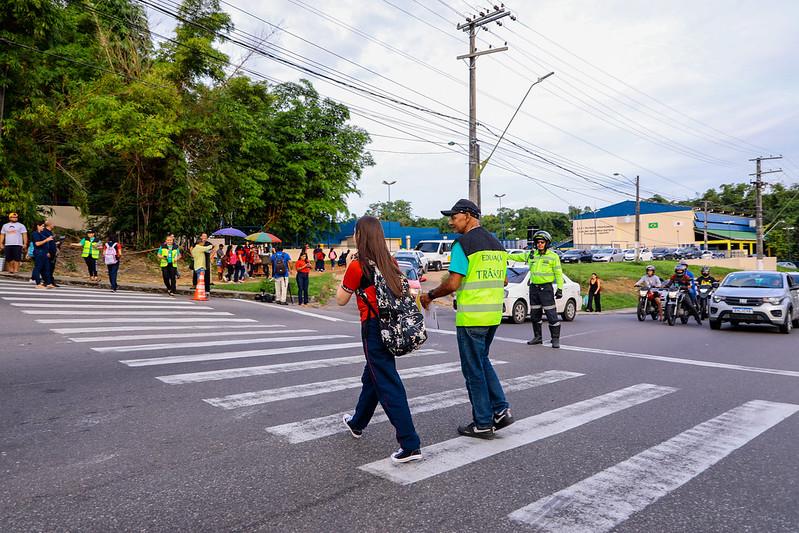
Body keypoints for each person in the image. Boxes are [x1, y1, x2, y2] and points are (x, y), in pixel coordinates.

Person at [420, 199, 512, 440]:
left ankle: (483, 422)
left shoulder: (463, 243)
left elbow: (453, 282)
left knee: (473, 369)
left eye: (454, 216)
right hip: (493, 315)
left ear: (469, 216)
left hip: (472, 316)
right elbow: (503, 281)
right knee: (482, 362)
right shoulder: (497, 244)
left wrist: (430, 295)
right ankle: (501, 410)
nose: (451, 221)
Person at [337, 216, 422, 463]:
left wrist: (346, 267)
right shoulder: (390, 262)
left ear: (360, 236)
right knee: (372, 376)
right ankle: (357, 422)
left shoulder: (358, 266)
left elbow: (341, 299)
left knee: (386, 383)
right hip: (391, 328)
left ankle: (410, 444)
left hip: (373, 328)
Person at [508, 230, 564, 348]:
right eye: (538, 242)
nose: (539, 244)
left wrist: (560, 289)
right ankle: (538, 337)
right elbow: (517, 256)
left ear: (547, 243)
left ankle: (555, 339)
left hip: (546, 289)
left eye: (542, 242)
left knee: (551, 315)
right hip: (534, 288)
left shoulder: (553, 256)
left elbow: (558, 274)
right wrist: (502, 254)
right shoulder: (531, 255)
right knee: (534, 315)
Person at [30, 221, 55, 289]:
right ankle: (38, 283)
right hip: (39, 252)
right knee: (38, 268)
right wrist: (46, 240)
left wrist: (47, 251)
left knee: (46, 268)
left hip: (44, 252)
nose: (43, 227)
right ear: (38, 226)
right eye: (42, 226)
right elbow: (37, 244)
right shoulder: (35, 234)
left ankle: (48, 283)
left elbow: (45, 244)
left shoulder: (41, 234)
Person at [44, 221, 59, 286]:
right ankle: (47, 281)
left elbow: (51, 242)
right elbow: (45, 243)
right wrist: (47, 252)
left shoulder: (50, 232)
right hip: (48, 252)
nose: (54, 225)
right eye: (53, 223)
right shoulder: (45, 232)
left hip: (53, 252)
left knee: (52, 267)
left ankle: (51, 281)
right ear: (49, 225)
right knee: (47, 267)